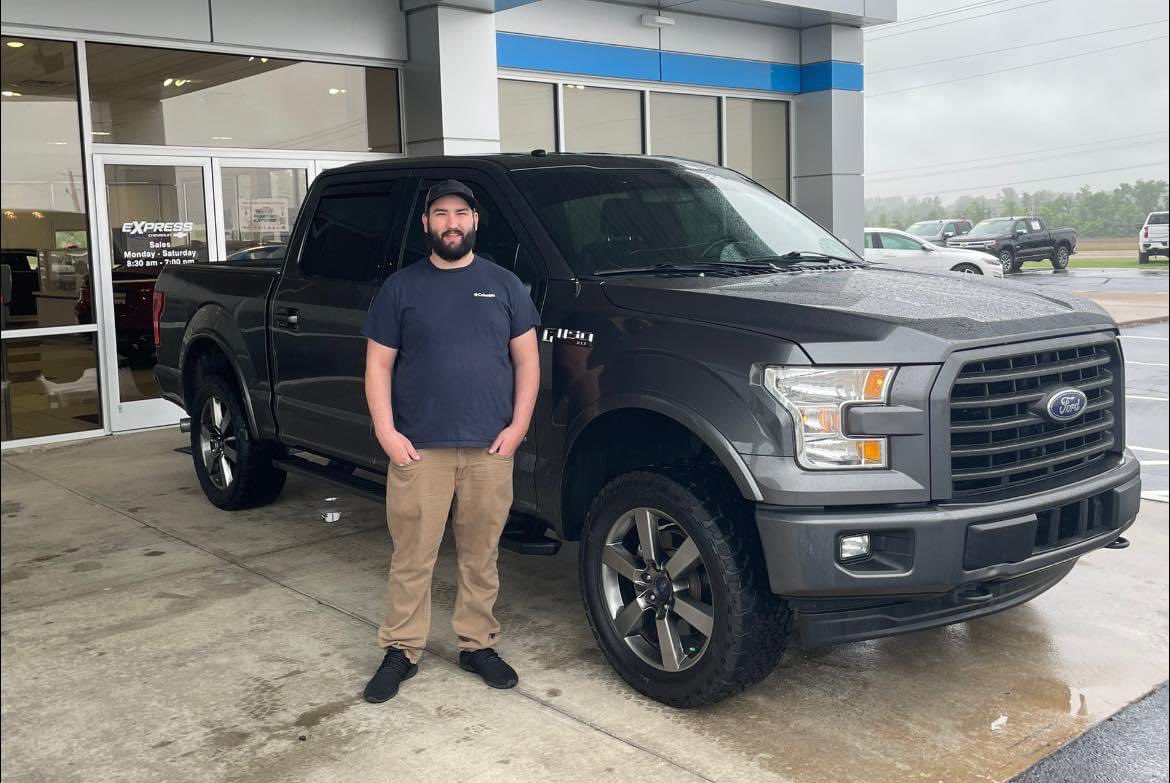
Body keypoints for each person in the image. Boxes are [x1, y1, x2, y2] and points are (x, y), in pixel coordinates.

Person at [361, 179, 540, 703]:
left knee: (481, 555)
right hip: (419, 449)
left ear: (475, 221)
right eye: (441, 213)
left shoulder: (506, 285)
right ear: (426, 224)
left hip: (490, 448)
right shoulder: (401, 288)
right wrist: (386, 432)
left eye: (461, 213)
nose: (451, 223)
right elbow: (378, 365)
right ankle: (401, 649)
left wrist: (518, 427)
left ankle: (477, 644)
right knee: (412, 556)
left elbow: (528, 362)